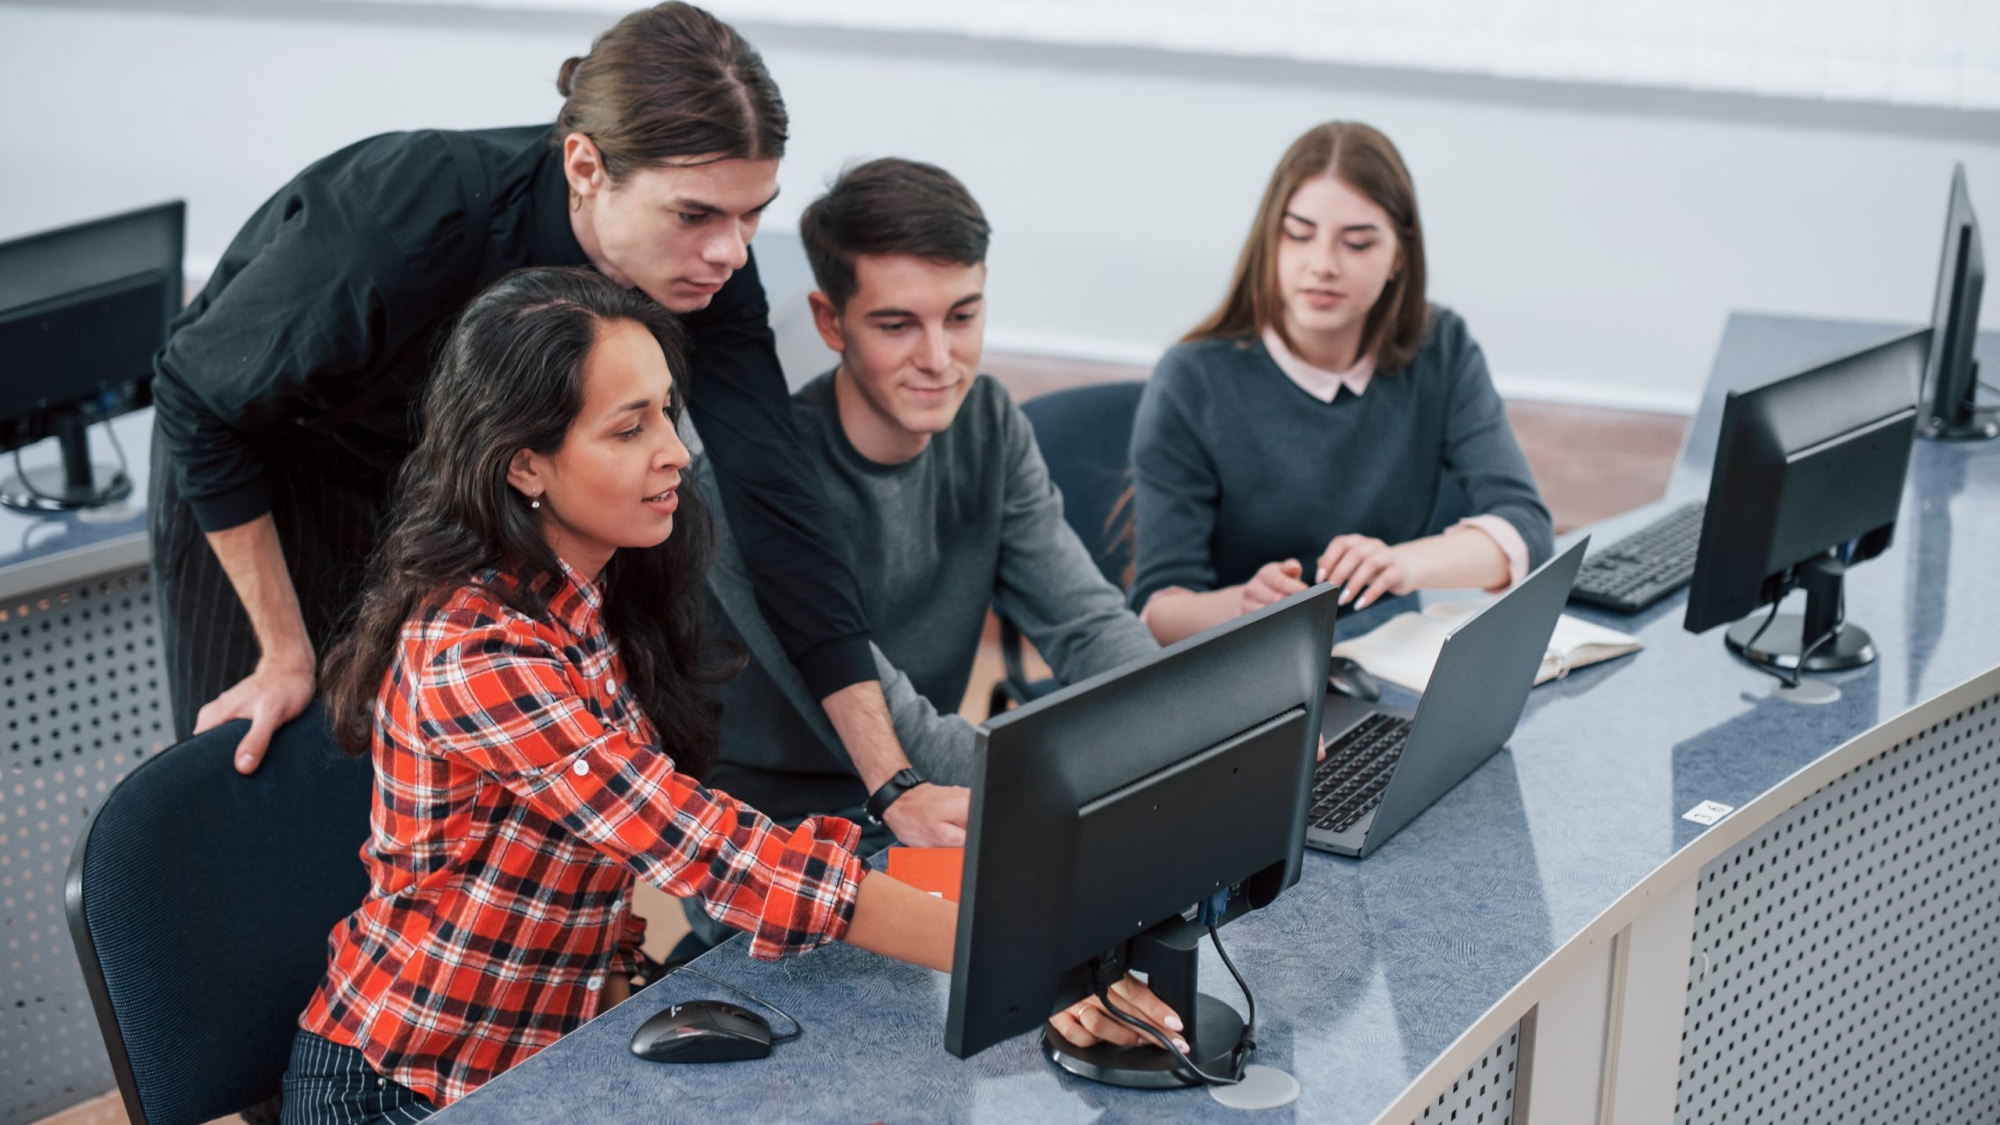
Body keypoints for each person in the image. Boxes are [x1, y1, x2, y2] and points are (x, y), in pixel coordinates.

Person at [282, 268, 1180, 1123]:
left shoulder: (593, 588)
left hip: (555, 1049)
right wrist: (1029, 958)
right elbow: (708, 847)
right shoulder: (476, 652)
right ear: (525, 465)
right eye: (629, 429)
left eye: (668, 413)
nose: (675, 451)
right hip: (414, 1090)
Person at [148, 2, 966, 846]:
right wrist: (285, 650)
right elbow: (196, 396)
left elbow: (778, 511)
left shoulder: (708, 274)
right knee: (276, 792)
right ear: (584, 165)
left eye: (752, 212)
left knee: (439, 810)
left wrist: (893, 782)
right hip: (262, 465)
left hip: (444, 488)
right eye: (696, 214)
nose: (731, 249)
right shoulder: (414, 212)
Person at [672, 159, 1157, 950]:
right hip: (785, 850)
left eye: (962, 316)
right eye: (898, 325)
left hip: (930, 816)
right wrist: (1124, 768)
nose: (940, 358)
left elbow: (1088, 622)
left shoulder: (988, 422)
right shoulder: (755, 481)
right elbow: (897, 729)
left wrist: (1183, 725)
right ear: (831, 322)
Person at [1130, 122, 1554, 644]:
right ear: (1270, 241)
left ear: (1399, 255)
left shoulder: (1440, 347)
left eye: (1356, 243)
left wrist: (1401, 565)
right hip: (1244, 668)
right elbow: (1156, 615)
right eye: (1299, 235)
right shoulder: (1193, 378)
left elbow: (1526, 529)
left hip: (1388, 654)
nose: (1322, 264)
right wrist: (1243, 604)